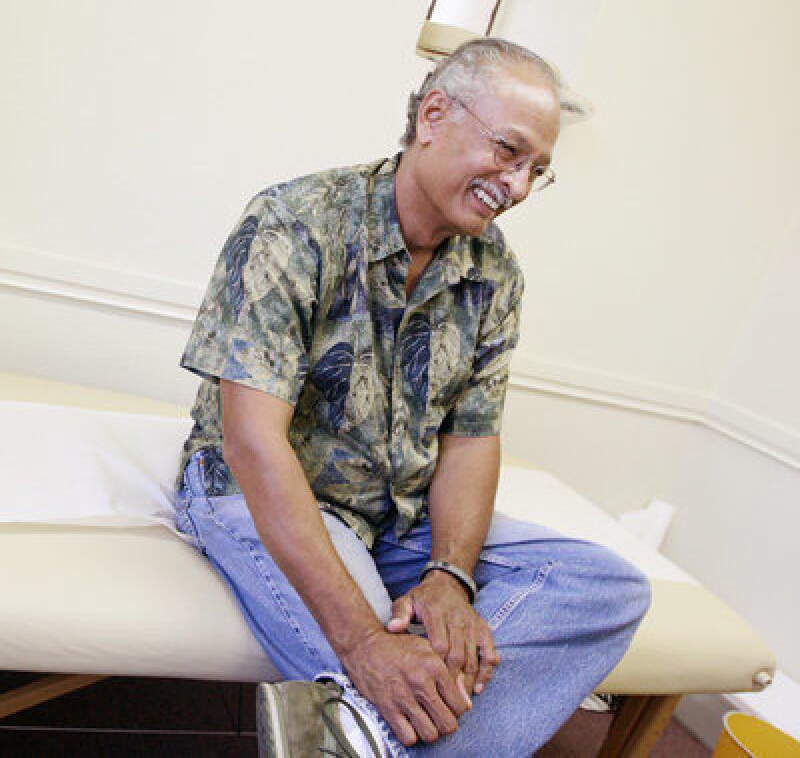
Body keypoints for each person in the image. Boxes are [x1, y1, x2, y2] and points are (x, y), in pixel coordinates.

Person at [172, 38, 652, 757]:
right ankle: (375, 722)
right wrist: (366, 642)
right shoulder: (295, 223)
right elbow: (252, 441)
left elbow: (471, 439)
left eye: (537, 171)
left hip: (394, 521)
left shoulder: (495, 275)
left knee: (606, 586)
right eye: (508, 151)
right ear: (434, 115)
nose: (517, 186)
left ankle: (359, 733)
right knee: (385, 667)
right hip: (260, 491)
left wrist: (450, 574)